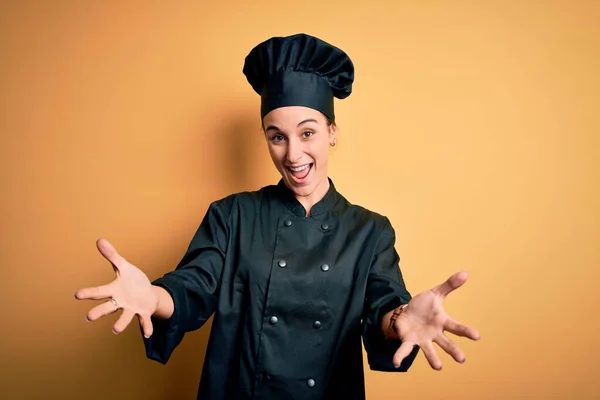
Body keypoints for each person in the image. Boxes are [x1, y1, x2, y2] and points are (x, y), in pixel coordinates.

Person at [75, 33, 480, 399]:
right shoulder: (233, 215)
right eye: (277, 136)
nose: (293, 154)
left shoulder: (369, 231)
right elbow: (192, 287)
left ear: (332, 132)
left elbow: (384, 309)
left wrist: (401, 320)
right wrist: (153, 297)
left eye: (307, 133)